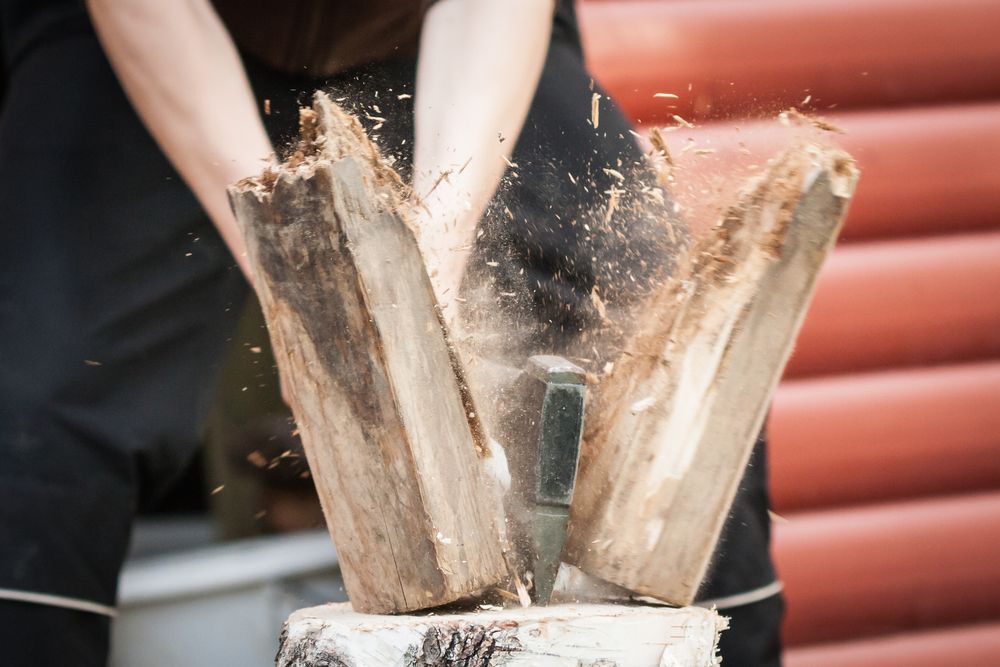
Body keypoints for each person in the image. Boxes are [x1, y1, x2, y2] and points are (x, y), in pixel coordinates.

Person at [0, 0, 782, 664]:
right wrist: (288, 261)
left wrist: (437, 245)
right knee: (32, 413)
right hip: (154, 33)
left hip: (447, 30)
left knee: (659, 350)